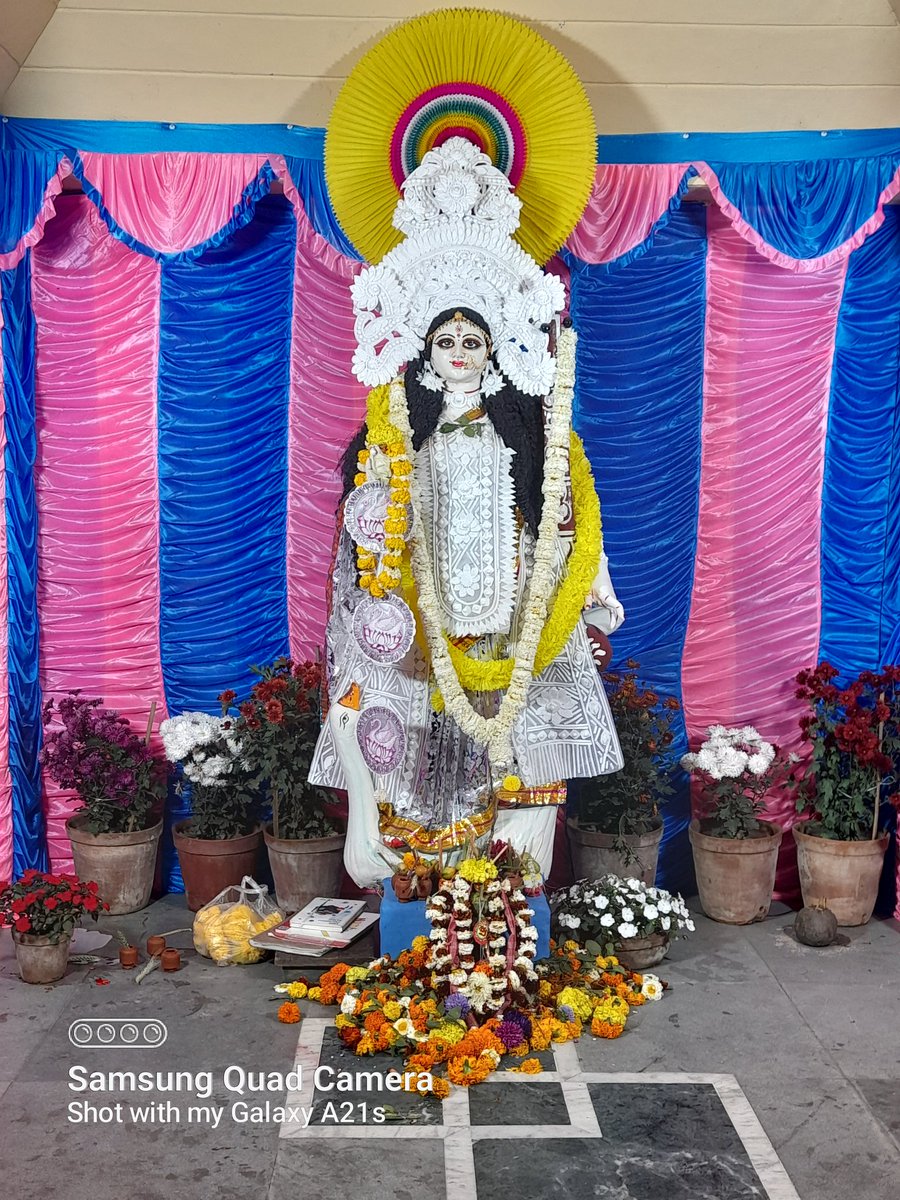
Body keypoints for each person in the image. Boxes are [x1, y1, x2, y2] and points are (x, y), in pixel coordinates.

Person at [310, 241, 624, 860]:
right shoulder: (397, 434)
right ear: (425, 351)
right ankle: (432, 890)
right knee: (417, 761)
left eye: (472, 341)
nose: (458, 353)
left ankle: (502, 894)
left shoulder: (536, 436)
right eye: (445, 341)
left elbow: (564, 526)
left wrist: (583, 606)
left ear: (493, 350)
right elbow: (366, 534)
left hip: (513, 624)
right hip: (422, 627)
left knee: (519, 762)